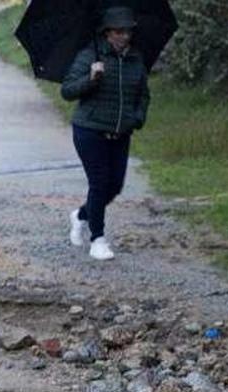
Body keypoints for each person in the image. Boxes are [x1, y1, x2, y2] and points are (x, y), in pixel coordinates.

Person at [61, 6, 150, 261]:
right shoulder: (90, 55)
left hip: (121, 132)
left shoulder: (136, 59)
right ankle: (97, 240)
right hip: (89, 130)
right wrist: (91, 79)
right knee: (99, 184)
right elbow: (67, 91)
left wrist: (137, 118)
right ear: (107, 33)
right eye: (119, 32)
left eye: (128, 31)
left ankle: (80, 215)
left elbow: (143, 94)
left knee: (115, 186)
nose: (125, 36)